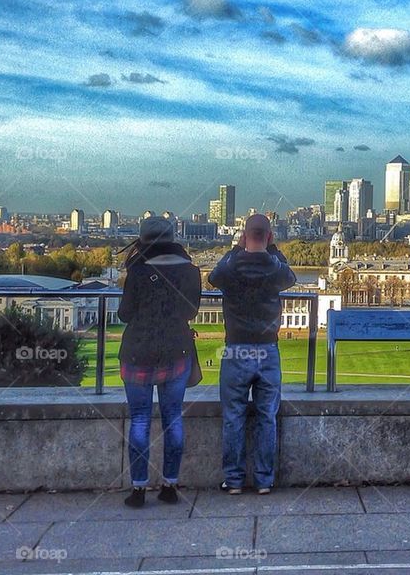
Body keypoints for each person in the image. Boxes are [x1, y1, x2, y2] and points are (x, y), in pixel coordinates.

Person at [118, 216, 202, 508]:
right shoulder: (191, 271)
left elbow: (124, 314)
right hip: (176, 350)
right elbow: (191, 312)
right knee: (173, 418)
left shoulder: (137, 270)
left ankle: (139, 489)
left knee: (140, 419)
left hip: (137, 351)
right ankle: (170, 485)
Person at [209, 214, 296, 494]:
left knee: (233, 416)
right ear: (269, 237)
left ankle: (233, 480)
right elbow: (291, 276)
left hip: (236, 347)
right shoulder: (275, 269)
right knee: (266, 416)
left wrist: (236, 248)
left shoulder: (231, 268)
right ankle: (263, 480)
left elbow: (214, 276)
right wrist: (270, 248)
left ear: (245, 235)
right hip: (268, 348)